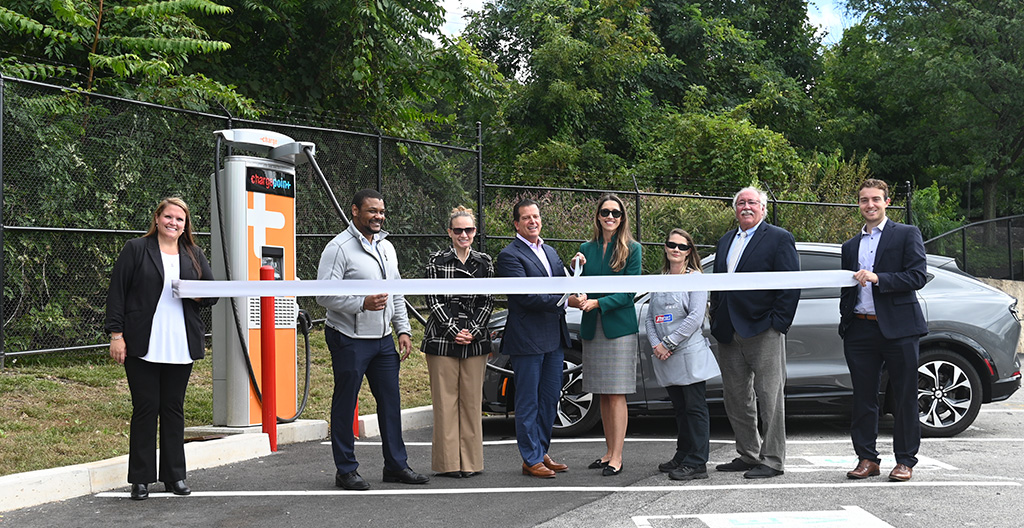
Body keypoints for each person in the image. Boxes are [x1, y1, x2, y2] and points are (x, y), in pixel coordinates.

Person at [105, 197, 217, 500]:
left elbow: (212, 295)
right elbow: (118, 292)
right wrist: (116, 335)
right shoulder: (136, 249)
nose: (173, 223)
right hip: (143, 342)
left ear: (185, 225)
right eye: (168, 217)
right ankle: (140, 479)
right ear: (157, 218)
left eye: (179, 219)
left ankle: (174, 476)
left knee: (173, 409)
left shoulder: (194, 253)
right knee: (145, 408)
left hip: (180, 342)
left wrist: (194, 294)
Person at [316, 189, 429, 490]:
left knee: (390, 403)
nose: (378, 216)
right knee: (345, 403)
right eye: (372, 211)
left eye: (381, 210)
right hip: (348, 338)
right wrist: (360, 303)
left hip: (383, 340)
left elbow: (397, 290)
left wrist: (402, 329)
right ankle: (346, 470)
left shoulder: (387, 247)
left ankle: (395, 465)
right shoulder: (338, 248)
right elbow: (322, 295)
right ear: (355, 211)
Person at [839, 179, 927, 482]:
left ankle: (905, 460)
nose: (870, 205)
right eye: (864, 200)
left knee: (904, 396)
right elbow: (846, 287)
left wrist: (880, 278)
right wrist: (845, 321)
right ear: (859, 204)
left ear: (887, 201)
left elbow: (917, 276)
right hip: (860, 330)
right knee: (863, 398)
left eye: (875, 199)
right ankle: (867, 458)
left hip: (899, 329)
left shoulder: (905, 234)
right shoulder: (850, 245)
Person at [710, 186, 799, 479]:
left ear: (762, 207)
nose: (746, 207)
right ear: (735, 209)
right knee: (736, 397)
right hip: (728, 330)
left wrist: (778, 323)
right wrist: (715, 317)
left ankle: (772, 459)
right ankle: (748, 454)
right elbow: (718, 284)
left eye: (752, 202)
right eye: (741, 203)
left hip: (763, 329)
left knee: (770, 396)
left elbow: (789, 285)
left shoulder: (778, 238)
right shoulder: (725, 241)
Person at [495, 198, 574, 479]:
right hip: (527, 339)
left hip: (554, 337)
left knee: (550, 399)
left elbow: (563, 283)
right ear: (516, 223)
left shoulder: (551, 252)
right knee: (528, 401)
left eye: (536, 216)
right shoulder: (509, 256)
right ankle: (530, 458)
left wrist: (577, 274)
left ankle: (540, 451)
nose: (533, 221)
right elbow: (526, 296)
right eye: (526, 217)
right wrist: (566, 302)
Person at [570, 193, 641, 477]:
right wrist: (578, 296)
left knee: (616, 394)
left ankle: (618, 456)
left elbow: (628, 293)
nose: (610, 217)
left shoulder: (632, 249)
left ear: (622, 218)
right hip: (593, 327)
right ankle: (608, 451)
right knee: (602, 392)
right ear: (598, 216)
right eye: (605, 212)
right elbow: (576, 290)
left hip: (618, 327)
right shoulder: (585, 248)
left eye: (616, 213)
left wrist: (598, 303)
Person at [421, 206, 494, 479]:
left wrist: (474, 330)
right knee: (445, 402)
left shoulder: (485, 261)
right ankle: (449, 463)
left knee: (472, 402)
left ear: (475, 232)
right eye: (459, 230)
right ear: (450, 232)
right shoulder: (436, 261)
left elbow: (489, 299)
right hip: (441, 338)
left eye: (469, 230)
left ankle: (472, 463)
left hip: (476, 340)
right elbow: (432, 299)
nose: (464, 234)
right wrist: (453, 330)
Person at [646, 229, 720, 481]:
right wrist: (656, 343)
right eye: (671, 245)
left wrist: (667, 343)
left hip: (688, 354)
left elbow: (695, 318)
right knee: (680, 408)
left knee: (694, 407)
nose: (676, 250)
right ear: (665, 248)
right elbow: (649, 317)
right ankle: (683, 453)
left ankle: (698, 462)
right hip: (666, 356)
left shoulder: (696, 278)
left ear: (690, 251)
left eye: (682, 246)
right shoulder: (660, 278)